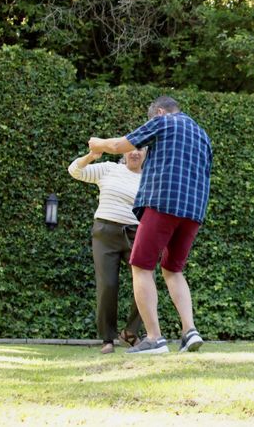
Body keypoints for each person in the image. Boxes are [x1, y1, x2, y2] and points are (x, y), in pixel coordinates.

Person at [87, 96, 213, 355]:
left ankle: (154, 338)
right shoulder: (202, 135)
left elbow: (120, 144)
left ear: (159, 112)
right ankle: (190, 331)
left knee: (141, 266)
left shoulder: (163, 122)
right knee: (173, 270)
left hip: (162, 202)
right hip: (193, 211)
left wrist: (98, 143)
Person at [67, 146, 147, 354]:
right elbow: (75, 171)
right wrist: (90, 157)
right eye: (130, 149)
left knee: (147, 284)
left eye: (140, 149)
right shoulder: (108, 169)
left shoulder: (150, 178)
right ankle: (107, 339)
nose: (135, 153)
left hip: (136, 234)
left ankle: (130, 333)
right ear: (123, 152)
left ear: (146, 153)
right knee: (107, 285)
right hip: (105, 232)